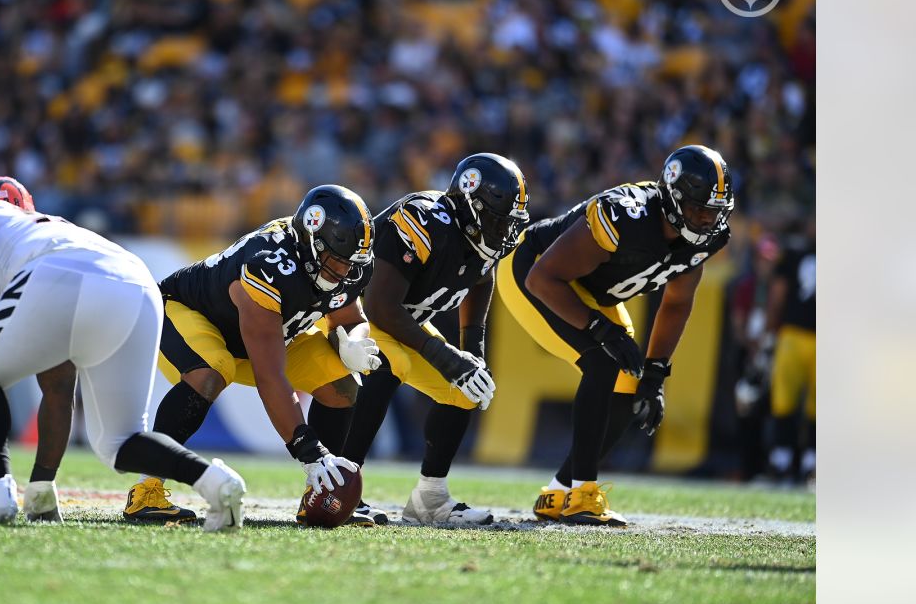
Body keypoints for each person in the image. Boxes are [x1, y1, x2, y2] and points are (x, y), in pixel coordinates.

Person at [0, 183, 247, 529]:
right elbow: (58, 386)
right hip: (135, 280)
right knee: (119, 442)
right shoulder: (45, 231)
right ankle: (216, 482)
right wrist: (42, 487)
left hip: (58, 273)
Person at [498, 145, 734, 526]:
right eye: (699, 209)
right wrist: (599, 327)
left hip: (587, 290)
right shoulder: (625, 215)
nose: (707, 220)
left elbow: (676, 303)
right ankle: (583, 496)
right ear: (673, 199)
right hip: (533, 271)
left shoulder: (706, 238)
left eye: (714, 212)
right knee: (603, 360)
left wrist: (657, 373)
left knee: (631, 376)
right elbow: (544, 278)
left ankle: (558, 492)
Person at [129, 185, 378, 526]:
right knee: (211, 373)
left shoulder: (349, 263)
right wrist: (310, 452)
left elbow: (351, 319)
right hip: (187, 312)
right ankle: (146, 490)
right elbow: (270, 376)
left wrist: (353, 341)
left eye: (352, 264)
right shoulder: (269, 265)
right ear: (311, 241)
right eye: (336, 260)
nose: (345, 272)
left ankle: (320, 492)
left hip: (271, 333)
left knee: (343, 383)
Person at [322, 153, 528, 526]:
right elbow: (381, 307)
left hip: (398, 321)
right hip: (346, 316)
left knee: (469, 387)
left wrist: (472, 351)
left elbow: (482, 278)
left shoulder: (478, 237)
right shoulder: (424, 219)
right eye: (500, 220)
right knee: (388, 364)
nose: (505, 232)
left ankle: (430, 499)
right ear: (471, 203)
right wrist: (446, 355)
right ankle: (341, 485)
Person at [0, 176, 74, 521]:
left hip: (41, 279)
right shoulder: (47, 225)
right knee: (60, 386)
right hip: (78, 282)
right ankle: (40, 489)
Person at [765, 219, 815, 485]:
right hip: (793, 334)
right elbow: (778, 294)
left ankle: (810, 463)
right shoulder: (795, 253)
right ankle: (782, 460)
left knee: (816, 405)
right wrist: (772, 329)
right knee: (784, 399)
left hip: (809, 337)